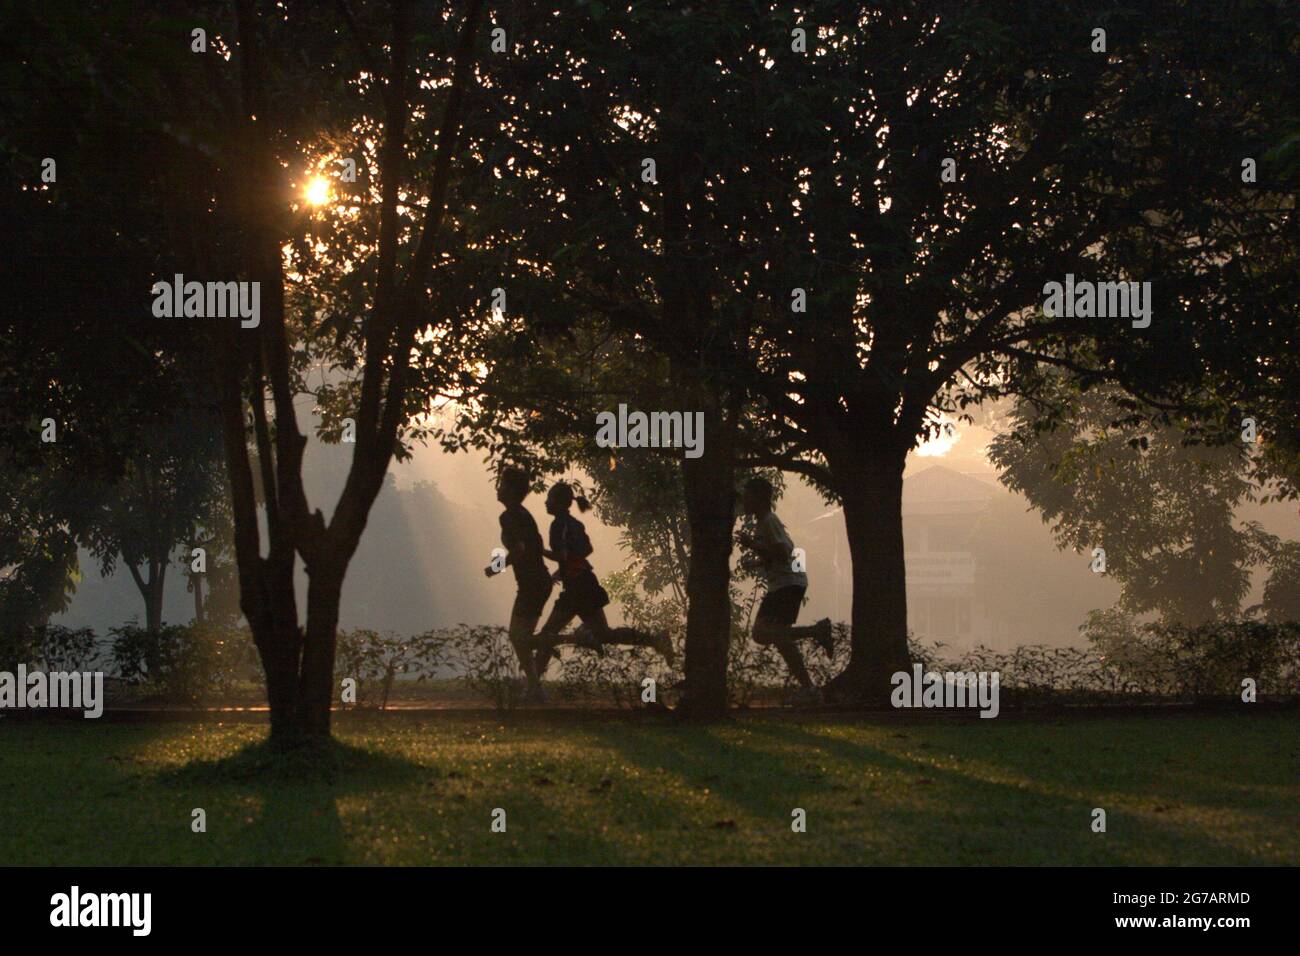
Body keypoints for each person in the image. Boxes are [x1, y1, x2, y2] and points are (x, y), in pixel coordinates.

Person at [529, 480, 675, 675]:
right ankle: (654, 639)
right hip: (584, 584)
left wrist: (541, 552)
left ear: (559, 502)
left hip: (577, 588)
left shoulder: (558, 525)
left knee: (548, 633)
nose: (546, 503)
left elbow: (563, 555)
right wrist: (563, 570)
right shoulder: (574, 524)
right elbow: (585, 550)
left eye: (549, 499)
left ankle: (533, 685)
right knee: (604, 634)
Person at [736, 476, 833, 705]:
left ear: (759, 498)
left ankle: (816, 632)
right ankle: (809, 689)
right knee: (780, 638)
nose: (744, 500)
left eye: (748, 495)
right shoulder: (765, 522)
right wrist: (757, 562)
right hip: (787, 583)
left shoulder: (769, 521)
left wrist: (753, 546)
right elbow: (781, 553)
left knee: (761, 632)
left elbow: (781, 552)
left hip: (787, 584)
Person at [484, 467, 552, 702]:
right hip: (537, 581)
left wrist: (495, 567)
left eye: (502, 484)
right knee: (521, 636)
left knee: (518, 636)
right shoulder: (523, 514)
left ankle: (535, 685)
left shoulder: (510, 516)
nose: (498, 488)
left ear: (511, 490)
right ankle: (535, 681)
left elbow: (519, 549)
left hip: (532, 582)